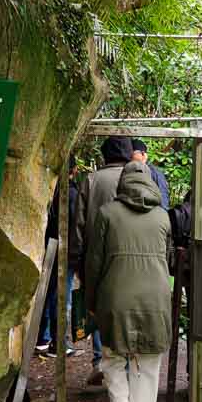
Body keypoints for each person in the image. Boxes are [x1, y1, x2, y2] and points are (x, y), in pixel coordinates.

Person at [85, 160, 173, 402]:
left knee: (112, 359)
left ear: (122, 184)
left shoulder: (106, 213)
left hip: (116, 296)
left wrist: (91, 302)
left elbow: (93, 262)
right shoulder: (163, 217)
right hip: (156, 298)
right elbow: (169, 257)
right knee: (147, 369)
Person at [72, 136, 135, 384]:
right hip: (129, 257)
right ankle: (126, 365)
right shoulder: (139, 178)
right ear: (129, 155)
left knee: (96, 308)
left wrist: (78, 260)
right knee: (127, 309)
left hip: (95, 258)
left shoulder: (91, 180)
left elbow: (78, 224)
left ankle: (101, 361)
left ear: (104, 156)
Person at [36, 156, 80, 357]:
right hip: (64, 251)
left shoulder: (47, 190)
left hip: (47, 246)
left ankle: (43, 338)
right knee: (61, 297)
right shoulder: (71, 194)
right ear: (75, 170)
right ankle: (58, 342)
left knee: (47, 292)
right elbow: (74, 226)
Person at [131, 139, 170, 209]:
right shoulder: (131, 169)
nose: (129, 157)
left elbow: (163, 201)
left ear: (142, 154)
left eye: (132, 154)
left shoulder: (155, 173)